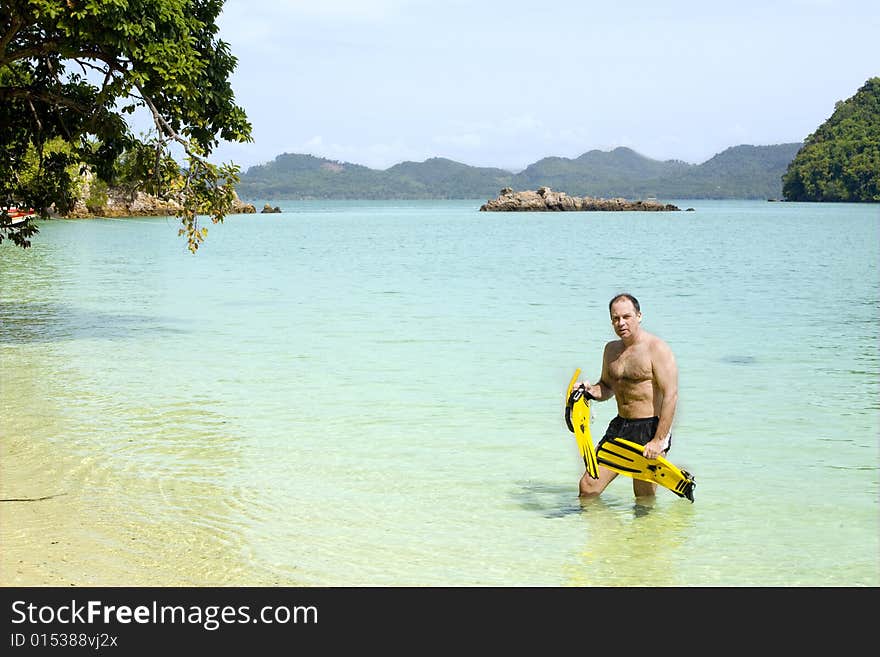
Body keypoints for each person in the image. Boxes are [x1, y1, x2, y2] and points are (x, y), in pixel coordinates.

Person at [576, 293, 679, 498]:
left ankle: (645, 531)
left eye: (626, 317)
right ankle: (597, 529)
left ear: (639, 316)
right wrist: (588, 391)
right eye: (616, 318)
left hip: (649, 428)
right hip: (621, 426)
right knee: (588, 487)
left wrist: (659, 440)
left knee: (643, 498)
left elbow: (671, 395)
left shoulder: (657, 349)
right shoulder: (611, 350)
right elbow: (607, 386)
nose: (621, 323)